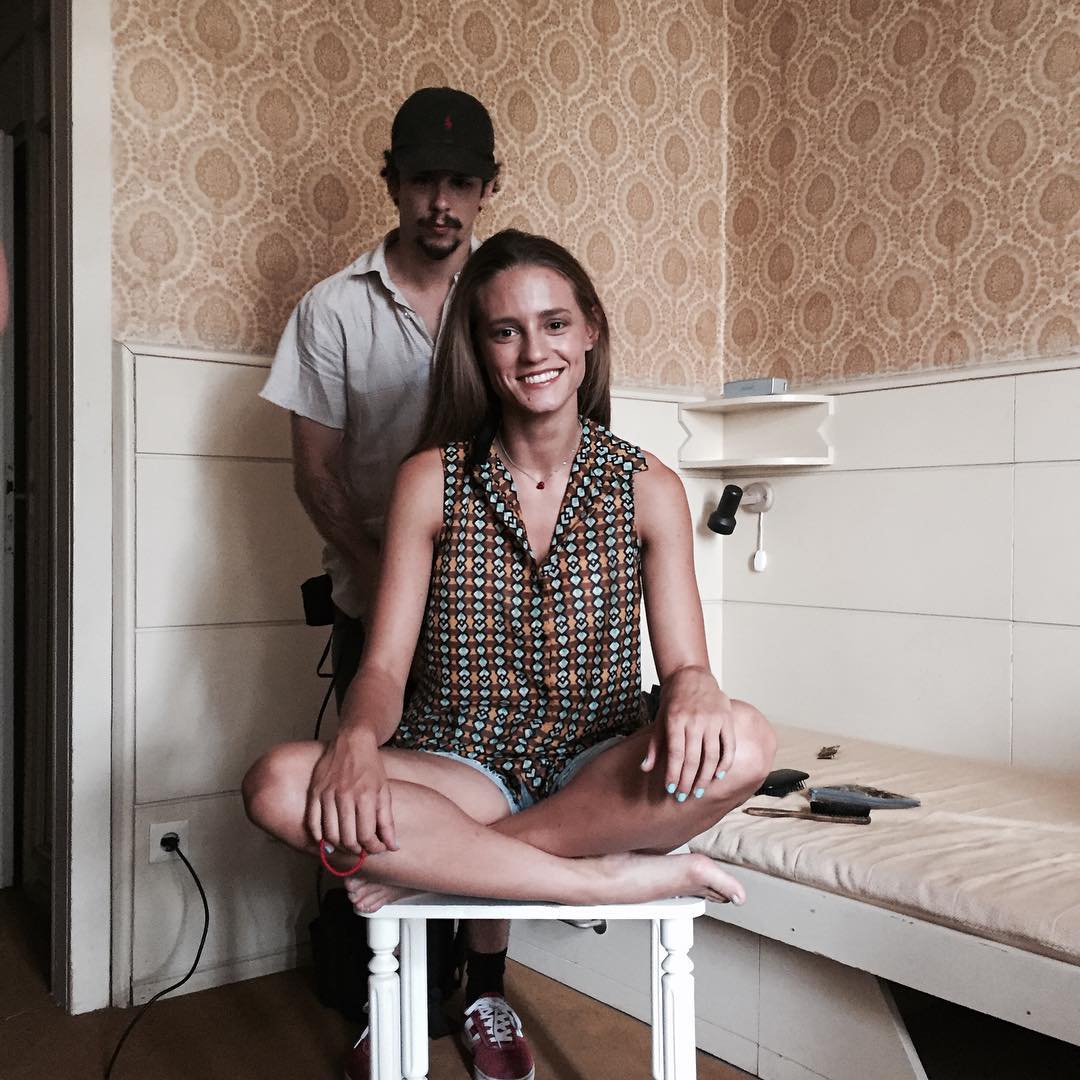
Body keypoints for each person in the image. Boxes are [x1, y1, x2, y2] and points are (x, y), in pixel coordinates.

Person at [244, 230, 776, 1080]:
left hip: (595, 764)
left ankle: (448, 874)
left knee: (747, 741)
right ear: (479, 349)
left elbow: (684, 668)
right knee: (276, 783)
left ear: (590, 330)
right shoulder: (430, 478)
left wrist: (698, 687)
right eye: (505, 331)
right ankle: (596, 882)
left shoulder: (649, 486)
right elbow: (383, 668)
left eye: (555, 323)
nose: (535, 352)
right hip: (460, 759)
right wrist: (355, 741)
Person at [258, 88, 525, 1079]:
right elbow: (315, 476)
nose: (441, 202)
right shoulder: (330, 310)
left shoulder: (504, 302)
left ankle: (488, 993)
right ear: (393, 183)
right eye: (422, 181)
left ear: (488, 188)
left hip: (495, 609)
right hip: (376, 601)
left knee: (496, 792)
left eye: (461, 182)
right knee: (368, 797)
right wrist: (395, 586)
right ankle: (389, 1000)